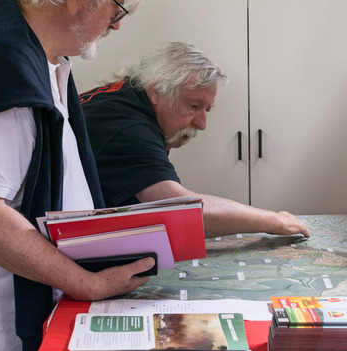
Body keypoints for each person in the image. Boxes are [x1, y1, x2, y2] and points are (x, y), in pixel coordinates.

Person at [0, 0, 155, 351]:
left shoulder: (44, 59)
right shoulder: (4, 62)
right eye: (118, 9)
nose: (117, 25)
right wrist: (86, 283)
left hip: (18, 320)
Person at [80, 41, 311, 239]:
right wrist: (274, 221)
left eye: (206, 110)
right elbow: (181, 209)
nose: (202, 124)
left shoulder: (123, 98)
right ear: (156, 91)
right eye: (193, 106)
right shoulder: (130, 129)